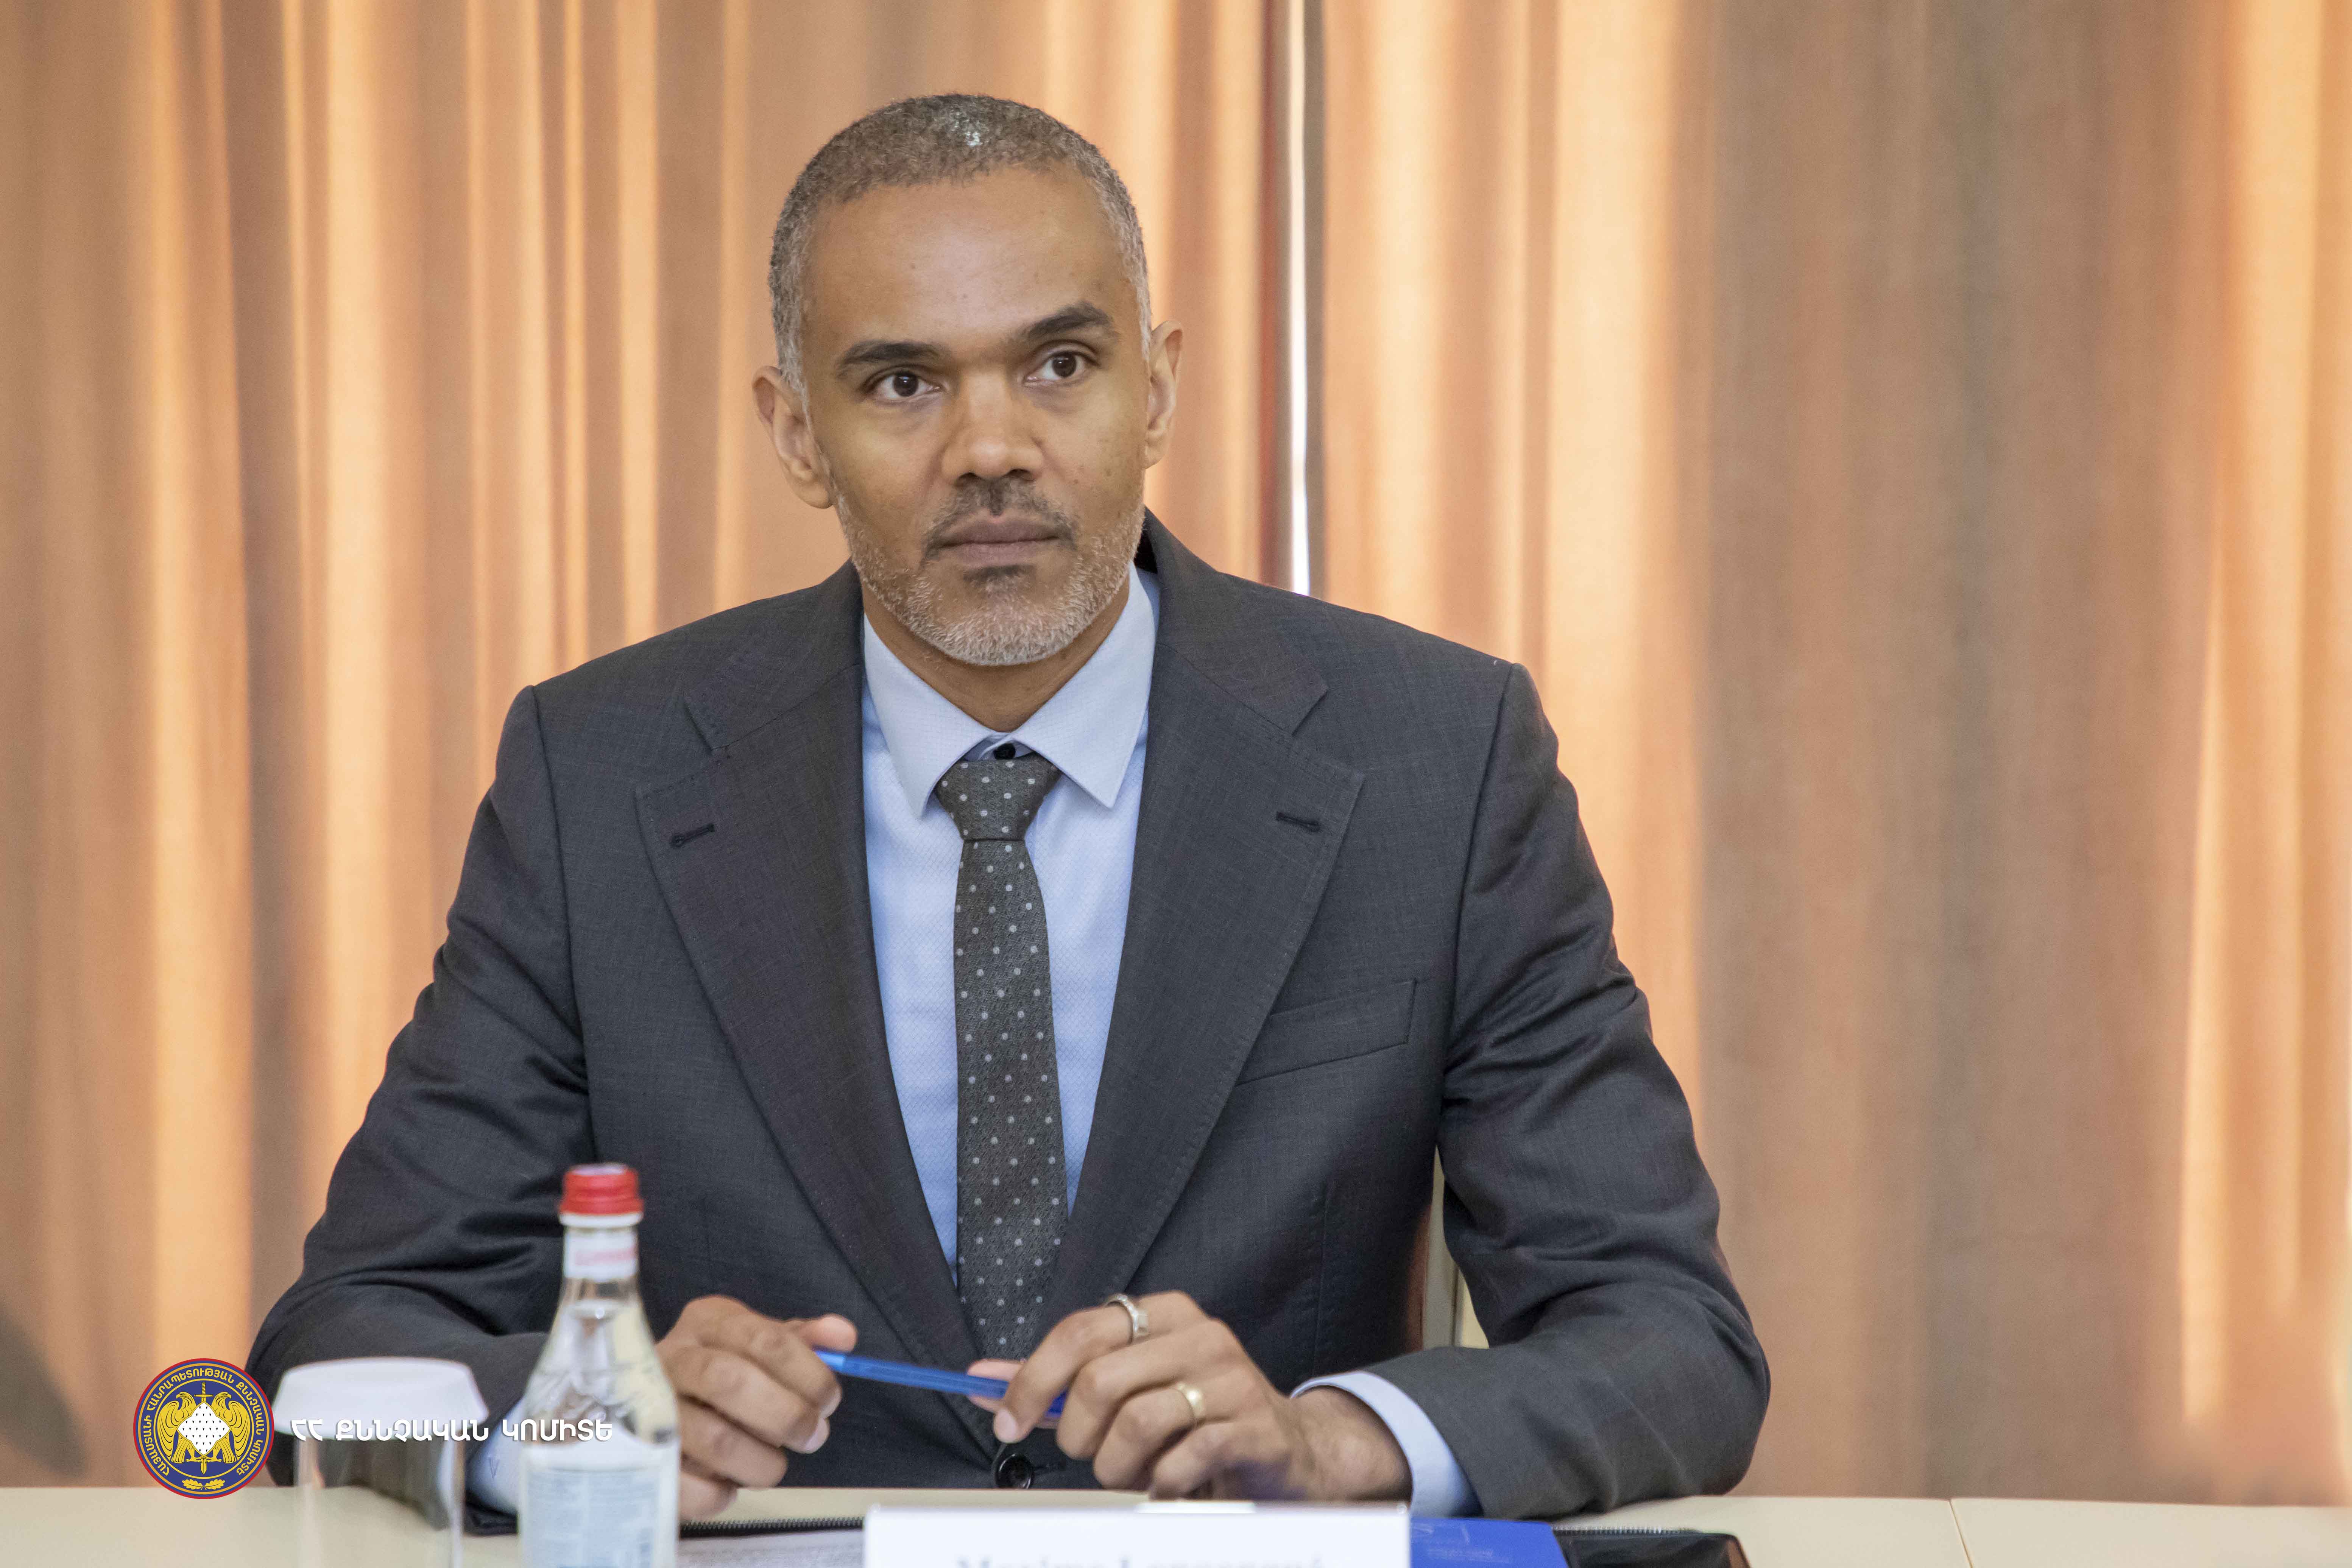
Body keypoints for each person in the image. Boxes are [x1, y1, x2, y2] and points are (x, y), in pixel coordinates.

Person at [249, 93, 1766, 1523]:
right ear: (795, 433)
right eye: (903, 384)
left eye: (1060, 365)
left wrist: (1338, 1439)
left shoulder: (1437, 758)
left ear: (1155, 387)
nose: (991, 450)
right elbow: (341, 1342)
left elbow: (1668, 1336)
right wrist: (579, 1422)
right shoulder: (599, 775)